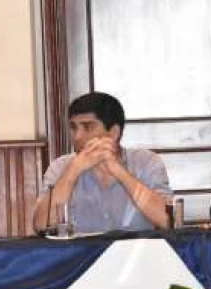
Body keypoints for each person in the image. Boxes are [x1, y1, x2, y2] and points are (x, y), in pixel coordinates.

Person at [33, 92, 171, 233]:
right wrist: (72, 171)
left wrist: (119, 171)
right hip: (83, 254)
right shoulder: (60, 167)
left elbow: (166, 221)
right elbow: (41, 226)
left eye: (88, 127)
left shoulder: (146, 162)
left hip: (139, 253)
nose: (77, 136)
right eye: (74, 127)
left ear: (113, 133)